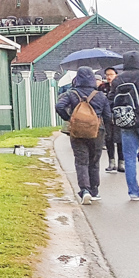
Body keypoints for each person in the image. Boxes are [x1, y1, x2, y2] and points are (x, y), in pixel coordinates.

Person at [55, 66, 112, 204]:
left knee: (81, 161)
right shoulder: (100, 95)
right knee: (94, 162)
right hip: (97, 132)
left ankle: (84, 190)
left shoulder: (71, 94)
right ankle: (94, 191)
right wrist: (107, 134)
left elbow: (59, 106)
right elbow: (108, 116)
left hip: (77, 132)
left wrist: (69, 119)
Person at [111, 52, 139, 202]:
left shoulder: (118, 80)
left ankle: (133, 193)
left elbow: (111, 100)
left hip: (126, 122)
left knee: (129, 158)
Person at [99, 68, 124, 172]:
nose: (109, 77)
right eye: (107, 75)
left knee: (120, 139)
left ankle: (121, 163)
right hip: (107, 116)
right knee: (108, 138)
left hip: (119, 115)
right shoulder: (102, 87)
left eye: (111, 74)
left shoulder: (120, 87)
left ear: (116, 75)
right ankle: (111, 162)